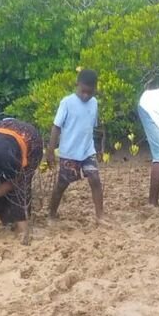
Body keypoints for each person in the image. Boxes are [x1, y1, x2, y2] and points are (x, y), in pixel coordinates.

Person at [46, 69, 103, 221]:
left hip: (87, 150)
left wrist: (98, 149)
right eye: (83, 91)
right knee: (62, 184)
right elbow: (56, 127)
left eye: (89, 92)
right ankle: (51, 213)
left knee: (95, 180)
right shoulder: (67, 103)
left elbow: (92, 127)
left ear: (95, 89)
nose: (86, 95)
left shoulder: (94, 103)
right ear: (77, 85)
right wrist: (50, 150)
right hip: (69, 152)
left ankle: (100, 216)